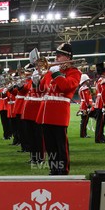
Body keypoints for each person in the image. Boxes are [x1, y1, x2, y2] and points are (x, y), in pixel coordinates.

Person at [36, 43, 81, 175]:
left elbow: (66, 86)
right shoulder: (52, 71)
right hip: (46, 113)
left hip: (59, 113)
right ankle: (54, 168)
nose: (56, 58)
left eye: (59, 56)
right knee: (50, 146)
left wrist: (56, 73)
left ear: (68, 57)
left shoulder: (74, 72)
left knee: (60, 145)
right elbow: (42, 90)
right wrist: (38, 78)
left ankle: (63, 170)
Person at [94, 62, 105, 144]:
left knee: (100, 122)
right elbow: (103, 93)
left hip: (99, 101)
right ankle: (99, 138)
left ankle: (100, 137)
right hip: (101, 103)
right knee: (101, 122)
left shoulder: (99, 80)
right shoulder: (103, 80)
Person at [78, 74, 93, 138]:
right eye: (87, 80)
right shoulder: (84, 89)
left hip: (83, 105)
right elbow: (86, 98)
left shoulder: (82, 88)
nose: (88, 81)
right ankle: (83, 134)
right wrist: (88, 106)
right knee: (85, 121)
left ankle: (83, 133)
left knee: (84, 121)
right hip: (85, 106)